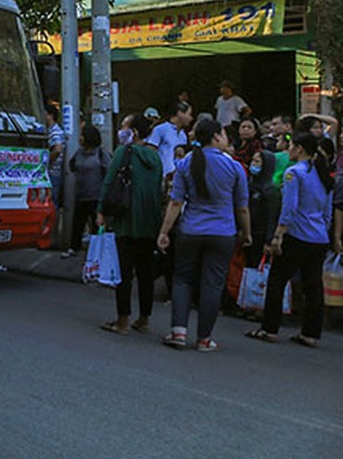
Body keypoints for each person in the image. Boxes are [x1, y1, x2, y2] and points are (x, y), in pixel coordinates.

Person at [158, 119, 251, 352]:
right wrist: (246, 232)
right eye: (224, 134)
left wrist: (164, 231)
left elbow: (176, 202)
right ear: (217, 137)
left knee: (182, 280)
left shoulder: (185, 163)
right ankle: (204, 338)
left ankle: (178, 332)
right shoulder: (234, 167)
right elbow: (242, 207)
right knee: (212, 284)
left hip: (190, 230)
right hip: (223, 233)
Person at [245, 134, 335, 347]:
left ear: (300, 149)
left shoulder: (294, 173)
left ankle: (269, 328)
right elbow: (327, 210)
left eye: (292, 146)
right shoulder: (322, 175)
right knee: (313, 285)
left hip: (296, 235)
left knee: (277, 281)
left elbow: (289, 208)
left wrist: (278, 235)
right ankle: (311, 332)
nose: (289, 150)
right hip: (319, 236)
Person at [96, 113, 164, 335]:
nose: (121, 131)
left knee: (124, 272)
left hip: (126, 219)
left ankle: (122, 319)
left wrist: (101, 211)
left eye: (124, 127)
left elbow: (109, 182)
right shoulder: (156, 158)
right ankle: (144, 319)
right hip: (150, 221)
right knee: (146, 274)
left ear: (133, 132)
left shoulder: (123, 152)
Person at [63, 125, 109, 259]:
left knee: (96, 225)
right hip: (81, 194)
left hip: (96, 196)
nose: (80, 138)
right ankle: (73, 247)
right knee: (78, 223)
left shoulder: (101, 154)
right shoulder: (79, 153)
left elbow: (108, 172)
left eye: (83, 135)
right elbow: (72, 165)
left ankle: (98, 252)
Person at [147, 102, 192, 183]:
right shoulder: (160, 129)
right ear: (180, 113)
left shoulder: (183, 135)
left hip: (177, 179)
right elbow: (150, 152)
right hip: (161, 178)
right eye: (189, 114)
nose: (191, 118)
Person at [45, 104, 65, 206]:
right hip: (54, 172)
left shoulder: (55, 131)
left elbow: (57, 149)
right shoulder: (50, 130)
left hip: (53, 172)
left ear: (50, 115)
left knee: (52, 203)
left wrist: (48, 162)